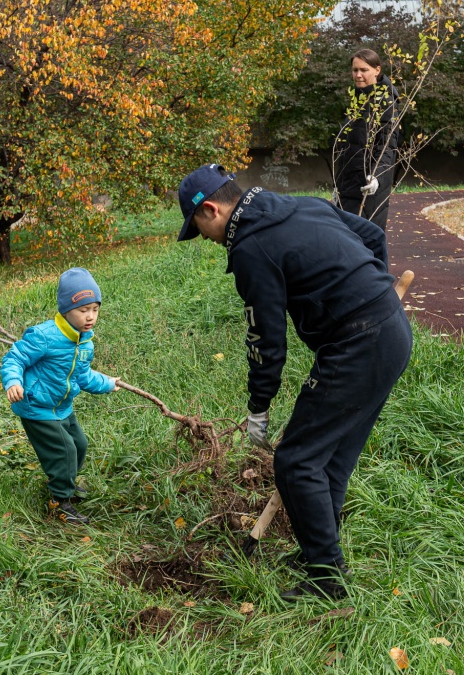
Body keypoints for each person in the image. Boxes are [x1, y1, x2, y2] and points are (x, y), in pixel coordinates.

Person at [176, 163, 413, 600]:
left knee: (295, 461)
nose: (205, 241)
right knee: (329, 459)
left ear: (211, 209)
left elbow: (266, 339)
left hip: (358, 345)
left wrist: (258, 407)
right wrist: (374, 288)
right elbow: (373, 237)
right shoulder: (301, 206)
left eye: (198, 229)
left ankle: (326, 580)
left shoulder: (249, 248)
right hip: (392, 332)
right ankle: (322, 554)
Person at [0, 267, 119, 524]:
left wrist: (108, 383)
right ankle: (59, 502)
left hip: (62, 406)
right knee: (64, 451)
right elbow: (14, 358)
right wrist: (13, 382)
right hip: (37, 407)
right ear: (66, 310)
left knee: (79, 446)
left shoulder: (84, 341)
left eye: (95, 310)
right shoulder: (44, 336)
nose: (90, 317)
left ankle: (64, 483)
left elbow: (83, 376)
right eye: (83, 310)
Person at [332, 48, 401, 230]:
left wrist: (376, 177)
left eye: (364, 70)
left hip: (368, 190)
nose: (358, 75)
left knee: (365, 245)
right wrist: (338, 185)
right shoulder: (357, 102)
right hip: (347, 190)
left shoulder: (386, 103)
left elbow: (387, 146)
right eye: (355, 70)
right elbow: (347, 150)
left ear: (377, 70)